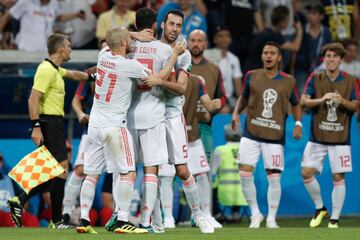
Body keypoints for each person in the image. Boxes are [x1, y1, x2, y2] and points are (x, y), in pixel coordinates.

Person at [76, 26, 173, 234]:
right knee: (128, 173)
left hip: (94, 126)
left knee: (91, 175)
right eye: (128, 40)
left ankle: (83, 220)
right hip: (114, 128)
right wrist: (174, 55)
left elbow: (114, 37)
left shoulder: (102, 55)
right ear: (122, 43)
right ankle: (122, 220)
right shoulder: (130, 65)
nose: (131, 41)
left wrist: (132, 35)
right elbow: (158, 78)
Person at [7, 33, 89, 229]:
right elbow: (32, 99)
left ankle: (30, 205)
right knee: (60, 169)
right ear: (61, 49)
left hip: (54, 123)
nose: (71, 49)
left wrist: (93, 74)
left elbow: (74, 75)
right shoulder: (45, 70)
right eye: (68, 46)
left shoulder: (55, 69)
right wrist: (36, 126)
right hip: (48, 123)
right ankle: (48, 215)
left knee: (55, 171)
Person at [148, 9, 216, 232]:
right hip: (151, 114)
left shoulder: (184, 54)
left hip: (172, 116)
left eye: (179, 25)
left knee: (183, 170)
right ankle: (155, 220)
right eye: (171, 24)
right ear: (162, 25)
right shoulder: (149, 48)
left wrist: (157, 80)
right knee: (152, 171)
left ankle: (199, 215)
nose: (175, 29)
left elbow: (180, 88)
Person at [231, 41, 302, 228]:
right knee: (245, 173)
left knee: (274, 176)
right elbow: (244, 96)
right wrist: (236, 112)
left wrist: (298, 123)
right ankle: (255, 214)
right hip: (251, 133)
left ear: (279, 57)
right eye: (265, 53)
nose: (268, 56)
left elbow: (295, 103)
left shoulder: (289, 81)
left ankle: (271, 218)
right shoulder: (251, 76)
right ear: (262, 56)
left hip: (274, 136)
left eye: (272, 53)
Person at [300, 42, 359, 228]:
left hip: (340, 137)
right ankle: (320, 207)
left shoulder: (350, 80)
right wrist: (322, 99)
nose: (330, 60)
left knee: (338, 178)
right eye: (327, 56)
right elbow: (303, 101)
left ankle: (334, 219)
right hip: (317, 136)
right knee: (306, 173)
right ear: (324, 59)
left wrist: (342, 100)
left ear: (340, 60)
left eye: (334, 56)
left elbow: (356, 106)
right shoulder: (315, 78)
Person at [182, 73, 222, 228]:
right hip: (168, 133)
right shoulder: (164, 76)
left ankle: (205, 215)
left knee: (202, 175)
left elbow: (209, 105)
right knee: (164, 177)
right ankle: (165, 218)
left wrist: (214, 105)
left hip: (192, 134)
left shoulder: (196, 80)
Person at [0, 0, 86, 51]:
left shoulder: (54, 3)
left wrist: (76, 15)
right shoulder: (26, 2)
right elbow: (6, 17)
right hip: (27, 50)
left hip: (47, 51)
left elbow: (60, 17)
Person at [244, 5, 303, 73]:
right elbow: (295, 47)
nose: (289, 21)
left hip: (259, 72)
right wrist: (300, 30)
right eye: (288, 19)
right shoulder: (271, 36)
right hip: (254, 74)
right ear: (282, 22)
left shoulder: (273, 33)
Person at [211, 124, 248, 222]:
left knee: (207, 189)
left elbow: (213, 172)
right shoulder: (246, 149)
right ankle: (235, 213)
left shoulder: (220, 150)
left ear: (226, 136)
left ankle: (218, 214)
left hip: (223, 192)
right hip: (244, 193)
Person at [294, 3, 332, 93]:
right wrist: (292, 69)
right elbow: (295, 52)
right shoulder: (302, 30)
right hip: (302, 69)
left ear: (321, 16)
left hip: (320, 68)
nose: (310, 16)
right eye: (309, 13)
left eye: (314, 13)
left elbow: (329, 52)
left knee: (323, 93)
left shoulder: (326, 32)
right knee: (301, 92)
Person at [205, 26, 243, 110]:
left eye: (227, 35)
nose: (224, 38)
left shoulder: (234, 59)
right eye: (220, 36)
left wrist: (242, 105)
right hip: (211, 97)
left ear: (230, 39)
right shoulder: (206, 56)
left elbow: (238, 88)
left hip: (229, 99)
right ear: (214, 40)